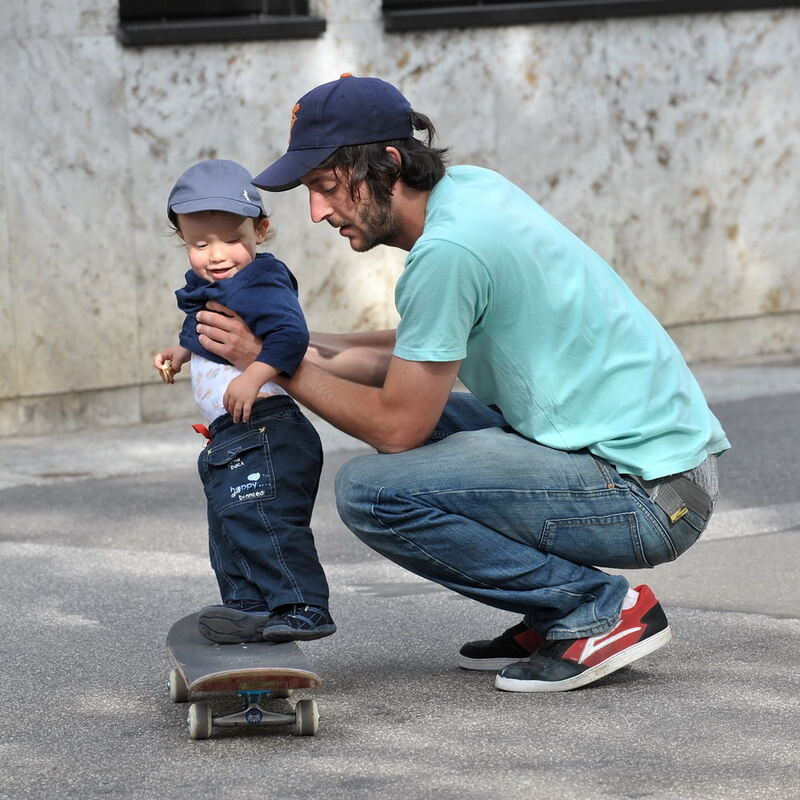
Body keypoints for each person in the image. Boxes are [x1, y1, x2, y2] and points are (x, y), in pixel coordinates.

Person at [192, 76, 729, 692]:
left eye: (326, 187)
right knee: (429, 428)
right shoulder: (471, 190)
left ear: (388, 163)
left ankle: (598, 610)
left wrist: (272, 360)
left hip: (651, 498)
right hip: (648, 464)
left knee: (373, 490)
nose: (316, 212)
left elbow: (398, 428)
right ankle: (555, 610)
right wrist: (306, 346)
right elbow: (420, 351)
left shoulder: (449, 251)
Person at [153, 159, 335, 645]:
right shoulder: (215, 287)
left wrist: (254, 374)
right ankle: (247, 606)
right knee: (231, 520)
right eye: (200, 243)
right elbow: (204, 330)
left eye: (231, 238)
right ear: (183, 240)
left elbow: (291, 335)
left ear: (262, 229)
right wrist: (181, 351)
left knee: (263, 517)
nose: (216, 254)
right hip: (235, 433)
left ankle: (302, 605)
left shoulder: (261, 280)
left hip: (269, 426)